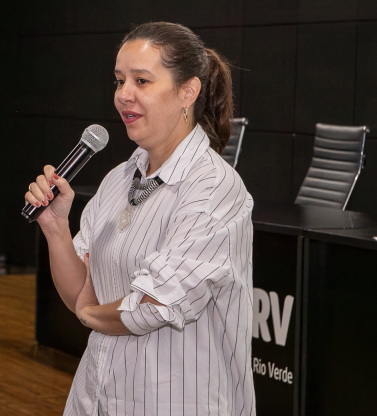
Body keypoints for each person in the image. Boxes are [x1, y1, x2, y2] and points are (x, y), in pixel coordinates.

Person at [26, 22, 255, 416]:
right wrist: (56, 227)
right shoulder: (119, 178)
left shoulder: (214, 187)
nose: (123, 95)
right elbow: (79, 290)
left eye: (142, 81)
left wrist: (89, 313)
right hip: (97, 398)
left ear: (188, 91)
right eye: (119, 81)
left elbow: (153, 306)